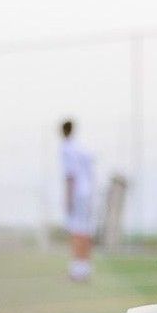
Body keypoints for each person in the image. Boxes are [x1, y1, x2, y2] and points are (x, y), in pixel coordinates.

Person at [60, 119, 96, 282]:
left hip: (77, 193)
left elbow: (71, 175)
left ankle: (77, 271)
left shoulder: (66, 148)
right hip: (87, 192)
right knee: (85, 231)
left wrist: (68, 198)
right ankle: (84, 268)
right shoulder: (81, 148)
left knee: (76, 231)